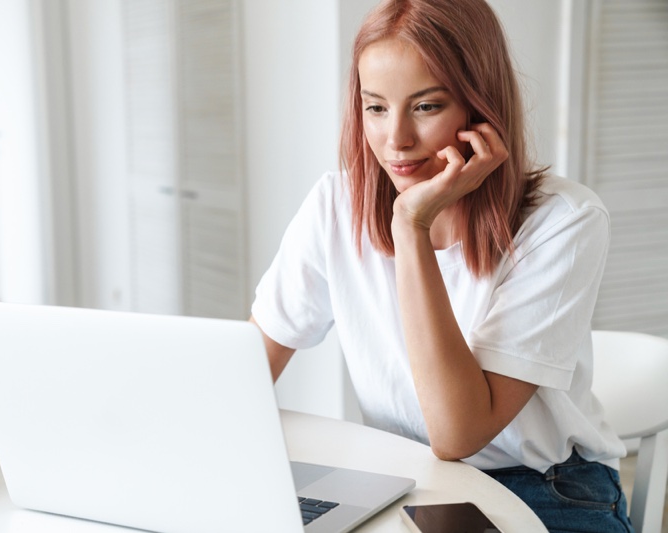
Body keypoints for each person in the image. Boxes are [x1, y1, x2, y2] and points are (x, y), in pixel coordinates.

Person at [248, 0, 634, 531]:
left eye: (426, 106)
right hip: (405, 476)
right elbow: (248, 371)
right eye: (376, 107)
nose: (395, 140)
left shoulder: (565, 221)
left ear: (480, 107)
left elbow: (457, 434)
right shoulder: (335, 207)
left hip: (544, 488)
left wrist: (411, 225)